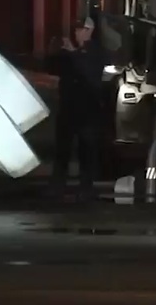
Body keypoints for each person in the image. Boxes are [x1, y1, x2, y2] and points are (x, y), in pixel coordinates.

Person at [46, 15, 106, 202]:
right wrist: (56, 50)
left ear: (90, 31)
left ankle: (85, 187)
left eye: (82, 30)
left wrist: (73, 53)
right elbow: (53, 67)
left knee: (86, 150)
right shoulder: (72, 53)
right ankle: (57, 186)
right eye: (76, 30)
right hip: (68, 108)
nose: (78, 33)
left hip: (88, 110)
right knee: (62, 149)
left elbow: (89, 71)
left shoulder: (95, 52)